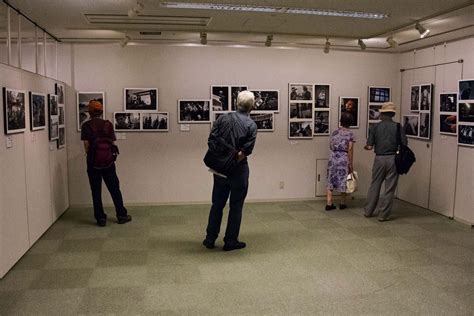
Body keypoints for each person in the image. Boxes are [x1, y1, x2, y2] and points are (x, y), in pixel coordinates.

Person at [203, 91, 257, 251]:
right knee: (236, 206)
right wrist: (231, 162)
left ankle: (210, 238)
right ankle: (231, 240)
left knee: (217, 204)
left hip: (219, 169)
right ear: (252, 106)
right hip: (238, 171)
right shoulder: (251, 125)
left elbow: (211, 140)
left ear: (236, 102)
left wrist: (221, 161)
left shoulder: (223, 118)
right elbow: (245, 151)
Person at [81, 100, 131, 227]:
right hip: (108, 162)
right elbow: (112, 143)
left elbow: (86, 145)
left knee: (96, 191)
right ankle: (121, 215)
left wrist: (91, 155)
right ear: (101, 111)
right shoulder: (108, 125)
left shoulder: (86, 126)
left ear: (90, 112)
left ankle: (100, 218)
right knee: (115, 189)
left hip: (93, 164)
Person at [364, 102, 407, 222]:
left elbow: (369, 146)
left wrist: (367, 146)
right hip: (393, 158)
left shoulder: (374, 127)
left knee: (375, 184)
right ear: (392, 114)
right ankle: (383, 215)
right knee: (389, 188)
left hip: (379, 158)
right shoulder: (398, 127)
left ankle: (368, 210)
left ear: (382, 114)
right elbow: (404, 143)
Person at [326, 112, 355, 210]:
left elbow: (330, 146)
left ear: (341, 121)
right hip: (343, 157)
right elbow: (350, 149)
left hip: (333, 157)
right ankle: (342, 203)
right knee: (343, 179)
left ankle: (329, 202)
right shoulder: (350, 134)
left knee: (330, 178)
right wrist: (351, 163)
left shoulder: (334, 133)